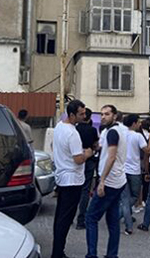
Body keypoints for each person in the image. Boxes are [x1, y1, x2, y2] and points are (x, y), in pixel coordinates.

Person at [51, 100, 94, 258]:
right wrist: (87, 153)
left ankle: (57, 250)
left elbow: (57, 147)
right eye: (81, 114)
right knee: (65, 219)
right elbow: (78, 159)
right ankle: (57, 253)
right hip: (72, 179)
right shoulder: (72, 133)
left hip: (62, 178)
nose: (84, 116)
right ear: (71, 115)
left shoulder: (59, 127)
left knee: (60, 217)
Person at [85, 105, 129, 258]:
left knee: (91, 218)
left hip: (110, 181)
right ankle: (112, 254)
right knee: (113, 221)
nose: (103, 117)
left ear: (115, 116)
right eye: (102, 114)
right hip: (119, 179)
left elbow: (111, 157)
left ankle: (92, 255)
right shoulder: (121, 130)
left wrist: (102, 180)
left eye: (107, 114)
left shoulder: (112, 132)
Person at [120, 114, 149, 235]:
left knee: (125, 198)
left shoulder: (121, 134)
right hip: (134, 170)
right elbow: (147, 150)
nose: (139, 124)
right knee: (135, 196)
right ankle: (120, 216)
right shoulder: (138, 136)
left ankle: (128, 225)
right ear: (133, 123)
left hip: (122, 169)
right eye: (138, 122)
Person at [75, 108, 100, 230]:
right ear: (90, 118)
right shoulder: (92, 130)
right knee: (85, 189)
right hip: (89, 160)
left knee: (74, 189)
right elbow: (96, 145)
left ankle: (70, 216)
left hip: (75, 160)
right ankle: (81, 219)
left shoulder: (74, 129)